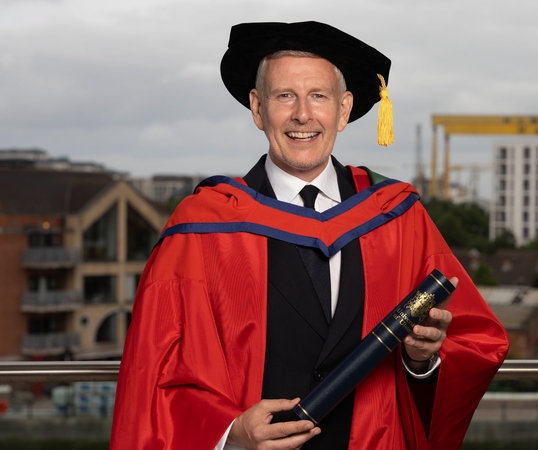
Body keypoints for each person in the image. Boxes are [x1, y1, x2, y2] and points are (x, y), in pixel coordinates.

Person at [111, 21, 508, 450]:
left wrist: (421, 360)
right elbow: (157, 375)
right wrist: (231, 433)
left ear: (343, 108)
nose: (303, 114)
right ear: (258, 108)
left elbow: (475, 342)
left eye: (318, 96)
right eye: (285, 96)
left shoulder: (396, 217)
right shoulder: (202, 228)